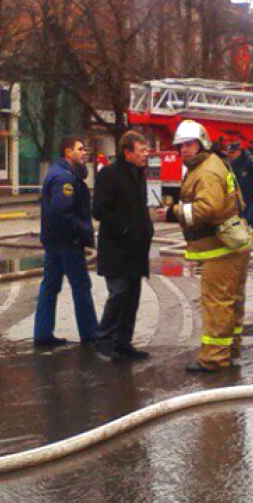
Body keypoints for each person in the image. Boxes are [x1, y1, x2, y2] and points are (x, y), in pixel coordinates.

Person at [154, 120, 251, 373]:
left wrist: (173, 212)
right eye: (180, 146)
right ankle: (229, 350)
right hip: (230, 244)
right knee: (231, 303)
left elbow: (209, 208)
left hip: (219, 250)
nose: (183, 150)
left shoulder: (206, 171)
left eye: (188, 144)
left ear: (202, 143)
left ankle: (214, 358)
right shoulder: (212, 164)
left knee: (216, 303)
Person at [92, 131, 154, 362]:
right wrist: (124, 228)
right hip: (116, 248)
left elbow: (139, 208)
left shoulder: (139, 175)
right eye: (141, 150)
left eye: (146, 150)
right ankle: (104, 339)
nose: (145, 155)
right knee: (119, 294)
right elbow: (99, 210)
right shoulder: (109, 175)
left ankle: (123, 342)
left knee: (132, 297)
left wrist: (147, 229)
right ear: (127, 152)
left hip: (136, 249)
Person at [34, 136, 98, 347]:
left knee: (50, 285)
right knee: (81, 285)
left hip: (54, 241)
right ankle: (90, 335)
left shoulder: (58, 173)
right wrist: (82, 232)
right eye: (80, 149)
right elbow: (62, 212)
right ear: (68, 153)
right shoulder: (65, 178)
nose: (84, 152)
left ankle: (42, 334)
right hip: (68, 242)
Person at [228, 142, 253, 251]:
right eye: (230, 153)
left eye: (233, 152)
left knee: (251, 218)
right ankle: (241, 244)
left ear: (239, 151)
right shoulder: (233, 164)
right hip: (242, 196)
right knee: (240, 220)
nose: (231, 155)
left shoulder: (249, 160)